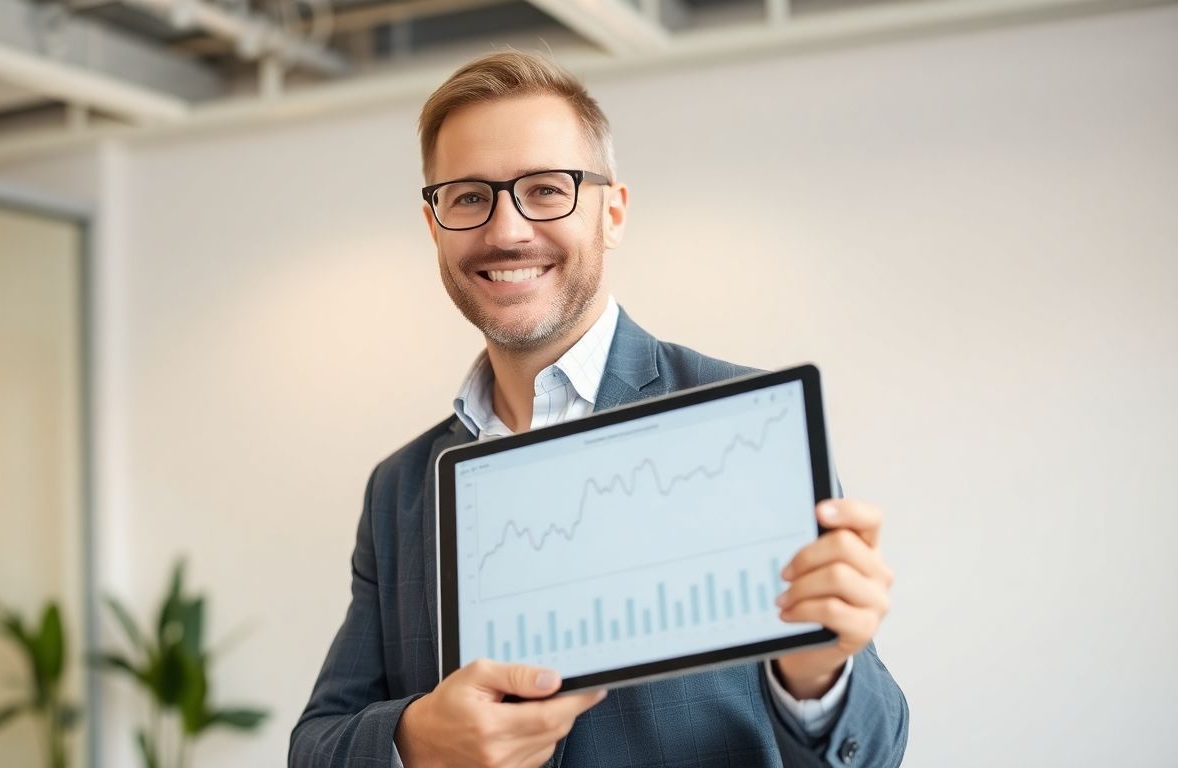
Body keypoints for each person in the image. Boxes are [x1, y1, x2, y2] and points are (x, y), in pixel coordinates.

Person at [290, 51, 907, 768]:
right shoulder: (398, 489)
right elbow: (315, 745)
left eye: (546, 190)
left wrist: (821, 675)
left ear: (612, 212)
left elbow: (875, 751)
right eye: (467, 197)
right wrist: (417, 740)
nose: (507, 230)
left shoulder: (749, 428)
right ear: (434, 227)